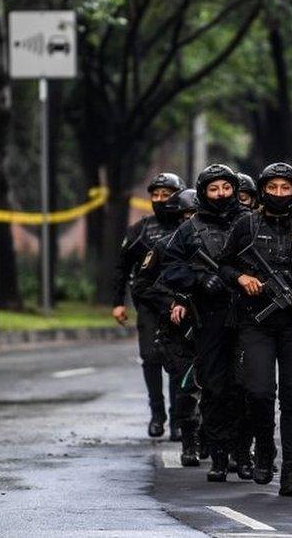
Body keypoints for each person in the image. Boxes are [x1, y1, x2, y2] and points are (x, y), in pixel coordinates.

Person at [218, 163, 292, 497]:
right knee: (258, 392)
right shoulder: (247, 225)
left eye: (286, 188)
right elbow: (225, 264)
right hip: (256, 322)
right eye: (273, 187)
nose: (280, 194)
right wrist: (242, 278)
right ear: (263, 190)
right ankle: (265, 448)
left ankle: (290, 472)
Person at [162, 164, 250, 482]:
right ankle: (220, 456)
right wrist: (199, 279)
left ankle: (244, 452)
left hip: (249, 316)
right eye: (213, 189)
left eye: (226, 188)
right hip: (209, 318)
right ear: (203, 192)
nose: (220, 194)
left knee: (246, 386)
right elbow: (168, 266)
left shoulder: (249, 222)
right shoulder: (190, 229)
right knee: (214, 388)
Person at [111, 172, 186, 439]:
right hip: (148, 305)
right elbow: (122, 267)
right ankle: (157, 414)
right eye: (155, 195)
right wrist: (118, 303)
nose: (160, 199)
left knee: (179, 362)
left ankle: (180, 419)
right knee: (151, 357)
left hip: (182, 306)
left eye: (166, 194)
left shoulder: (188, 226)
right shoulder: (140, 229)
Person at [131, 189, 202, 466]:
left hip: (216, 325)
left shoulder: (222, 242)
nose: (191, 220)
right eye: (186, 216)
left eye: (196, 215)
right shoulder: (164, 247)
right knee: (185, 383)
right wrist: (171, 302)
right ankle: (186, 437)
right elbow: (142, 285)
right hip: (179, 329)